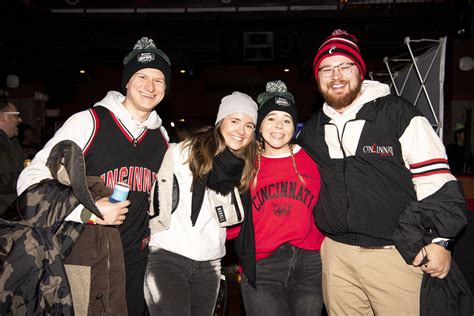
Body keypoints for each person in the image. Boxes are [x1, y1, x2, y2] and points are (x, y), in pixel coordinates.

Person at [297, 29, 468, 315]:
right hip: (336, 256)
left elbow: (437, 183)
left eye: (345, 66)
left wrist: (441, 241)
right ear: (317, 78)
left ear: (360, 70)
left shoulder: (399, 114)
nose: (336, 75)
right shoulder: (312, 130)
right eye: (326, 69)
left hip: (396, 256)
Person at [17, 36, 171, 315]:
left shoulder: (161, 136)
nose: (150, 87)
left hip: (137, 260)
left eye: (159, 80)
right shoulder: (89, 122)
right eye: (142, 76)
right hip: (87, 258)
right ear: (126, 81)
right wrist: (88, 210)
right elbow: (29, 182)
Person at [144, 91, 258, 316]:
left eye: (249, 125)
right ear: (220, 122)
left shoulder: (245, 166)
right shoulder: (181, 153)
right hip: (167, 256)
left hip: (210, 263)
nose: (241, 131)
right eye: (234, 121)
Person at [228, 80, 325, 316]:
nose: (278, 126)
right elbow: (229, 216)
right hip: (262, 266)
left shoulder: (313, 157)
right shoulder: (244, 163)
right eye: (271, 118)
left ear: (294, 126)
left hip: (310, 263)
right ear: (259, 126)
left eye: (286, 119)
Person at [0, 99, 24, 215]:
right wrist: (26, 177)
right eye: (16, 115)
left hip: (12, 213)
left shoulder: (12, 141)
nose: (20, 120)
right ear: (2, 117)